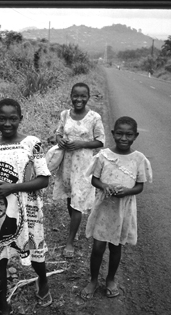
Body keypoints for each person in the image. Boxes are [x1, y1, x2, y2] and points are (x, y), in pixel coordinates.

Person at [0, 98, 52, 315]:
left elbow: (44, 179)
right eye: (2, 119)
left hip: (29, 210)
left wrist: (13, 187)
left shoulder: (32, 143)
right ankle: (2, 303)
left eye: (13, 119)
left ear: (20, 119)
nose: (7, 123)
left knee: (35, 253)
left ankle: (43, 281)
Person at [80, 116, 152, 299]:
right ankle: (93, 280)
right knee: (97, 247)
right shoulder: (104, 156)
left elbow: (140, 186)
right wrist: (105, 187)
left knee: (116, 247)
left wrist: (127, 191)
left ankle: (111, 279)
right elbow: (94, 179)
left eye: (129, 135)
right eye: (119, 133)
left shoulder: (139, 159)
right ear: (113, 133)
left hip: (123, 210)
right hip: (104, 208)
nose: (123, 138)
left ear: (135, 136)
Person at [53, 82, 105, 258]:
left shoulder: (94, 118)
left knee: (78, 200)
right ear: (71, 95)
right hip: (67, 163)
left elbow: (100, 141)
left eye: (83, 96)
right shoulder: (65, 114)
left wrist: (82, 143)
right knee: (70, 196)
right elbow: (59, 132)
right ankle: (74, 228)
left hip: (83, 165)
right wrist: (60, 139)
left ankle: (70, 242)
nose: (79, 99)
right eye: (76, 95)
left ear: (88, 97)